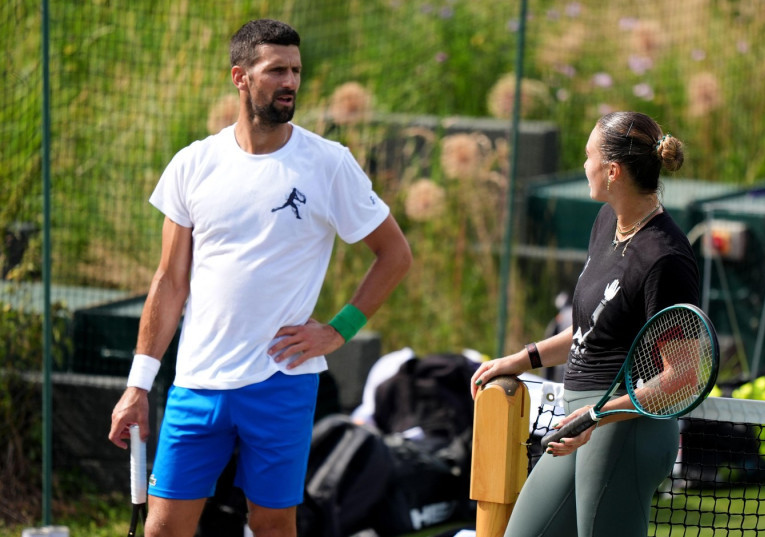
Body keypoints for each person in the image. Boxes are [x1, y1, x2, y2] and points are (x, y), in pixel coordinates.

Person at [108, 18, 412, 537]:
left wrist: (338, 330)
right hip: (196, 383)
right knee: (163, 529)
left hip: (281, 382)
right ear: (241, 77)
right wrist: (138, 384)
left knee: (272, 526)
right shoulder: (193, 164)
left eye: (296, 70)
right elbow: (169, 282)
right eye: (276, 70)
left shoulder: (328, 163)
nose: (290, 81)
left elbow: (394, 254)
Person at [471, 111, 698, 537]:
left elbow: (682, 377)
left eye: (588, 155)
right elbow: (593, 328)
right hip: (581, 421)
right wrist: (521, 360)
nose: (583, 165)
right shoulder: (606, 223)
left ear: (612, 171)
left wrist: (597, 415)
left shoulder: (665, 257)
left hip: (626, 431)